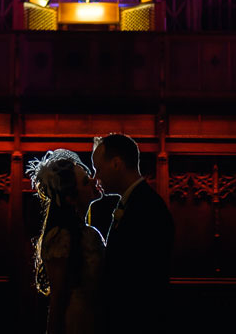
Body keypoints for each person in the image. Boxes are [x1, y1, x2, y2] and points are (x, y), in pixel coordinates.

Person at [92, 133, 175, 334]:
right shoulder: (135, 201)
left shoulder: (147, 207)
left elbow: (141, 278)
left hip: (136, 321)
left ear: (116, 164)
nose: (96, 177)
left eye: (98, 169)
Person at [27, 149, 104, 334]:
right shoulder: (60, 238)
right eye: (86, 182)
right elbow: (58, 299)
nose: (94, 181)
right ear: (70, 198)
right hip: (77, 322)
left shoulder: (88, 233)